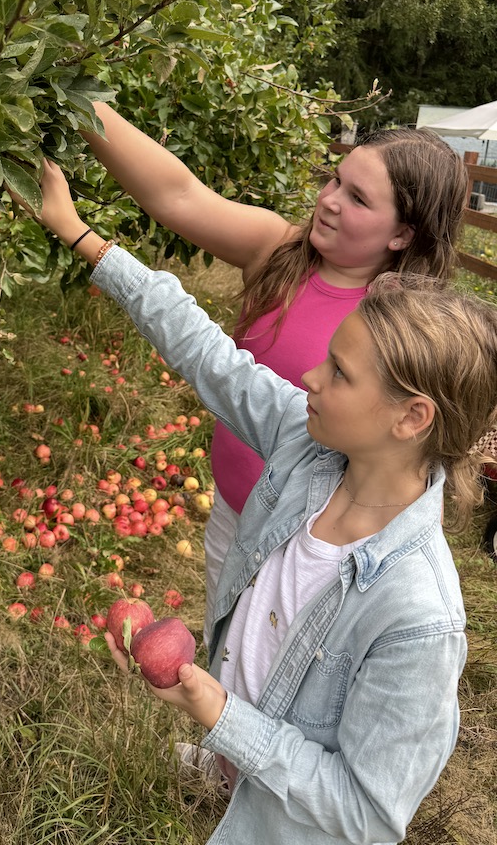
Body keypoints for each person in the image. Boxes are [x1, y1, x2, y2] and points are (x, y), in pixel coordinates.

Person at [26, 158, 497, 845]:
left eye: (339, 371)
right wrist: (80, 236)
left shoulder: (417, 620)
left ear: (411, 418)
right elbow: (205, 352)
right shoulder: (307, 449)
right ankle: (221, 775)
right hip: (240, 763)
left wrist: (220, 715)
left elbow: (365, 814)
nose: (309, 374)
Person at [81, 104, 468, 642]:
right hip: (233, 513)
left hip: (311, 549)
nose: (328, 200)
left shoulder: (404, 332)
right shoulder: (281, 252)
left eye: (357, 198)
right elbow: (178, 195)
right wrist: (82, 105)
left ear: (402, 234)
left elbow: (411, 455)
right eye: (337, 179)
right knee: (225, 647)